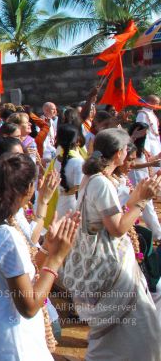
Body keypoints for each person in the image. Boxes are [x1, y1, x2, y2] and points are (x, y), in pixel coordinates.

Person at [63, 128, 161, 360]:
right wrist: (141, 201)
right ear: (118, 153)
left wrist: (137, 198)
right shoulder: (101, 183)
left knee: (123, 333)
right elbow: (117, 228)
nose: (128, 155)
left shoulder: (93, 179)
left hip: (102, 263)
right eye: (127, 150)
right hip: (111, 268)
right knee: (141, 329)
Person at [0, 152, 78, 360]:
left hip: (4, 337)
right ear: (29, 189)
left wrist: (47, 247)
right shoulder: (5, 235)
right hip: (14, 345)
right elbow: (28, 306)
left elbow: (24, 269)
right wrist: (56, 260)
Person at [54, 124, 85, 219]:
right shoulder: (78, 162)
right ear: (77, 141)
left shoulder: (57, 159)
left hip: (60, 202)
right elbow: (78, 187)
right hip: (73, 206)